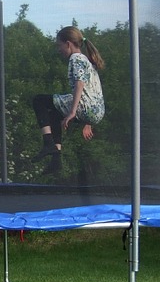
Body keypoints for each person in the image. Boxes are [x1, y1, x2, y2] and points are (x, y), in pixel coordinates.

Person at [31, 26, 105, 174]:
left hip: (85, 108)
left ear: (68, 44)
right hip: (96, 111)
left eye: (60, 46)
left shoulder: (75, 59)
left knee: (39, 100)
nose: (59, 50)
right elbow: (93, 91)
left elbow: (79, 84)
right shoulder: (86, 60)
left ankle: (48, 143)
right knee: (54, 112)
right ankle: (56, 159)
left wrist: (72, 112)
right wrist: (88, 121)